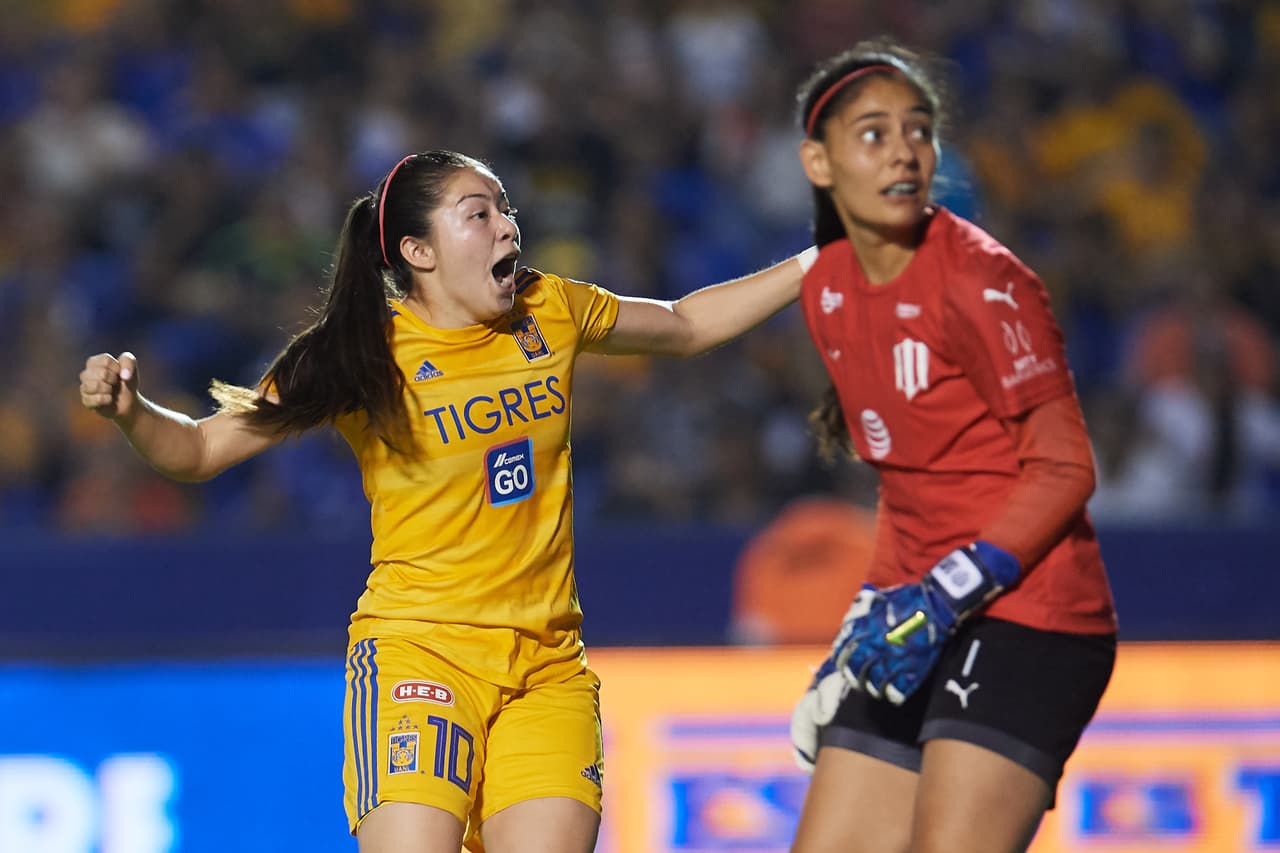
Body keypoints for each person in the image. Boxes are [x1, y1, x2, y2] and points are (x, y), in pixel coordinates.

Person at [78, 149, 814, 853]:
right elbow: (201, 451)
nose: (508, 227)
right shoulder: (358, 353)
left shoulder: (548, 307)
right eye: (479, 213)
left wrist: (816, 263)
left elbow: (685, 324)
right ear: (419, 252)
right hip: (418, 654)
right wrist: (131, 411)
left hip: (546, 670)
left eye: (505, 209)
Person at [784, 41, 1118, 853]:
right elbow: (907, 486)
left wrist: (949, 588)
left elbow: (1068, 466)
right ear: (818, 163)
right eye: (874, 134)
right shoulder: (827, 288)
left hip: (1029, 614)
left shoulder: (982, 281)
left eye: (919, 130)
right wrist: (865, 616)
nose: (904, 150)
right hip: (917, 614)